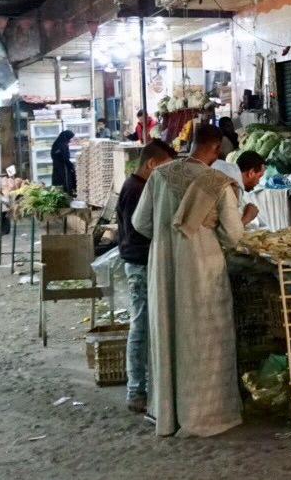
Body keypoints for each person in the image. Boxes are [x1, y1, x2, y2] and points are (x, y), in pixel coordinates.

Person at [132, 125, 257, 437]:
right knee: (203, 337)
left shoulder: (159, 175)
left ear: (191, 143)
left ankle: (168, 413)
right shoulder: (217, 181)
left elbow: (140, 222)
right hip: (203, 269)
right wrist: (246, 218)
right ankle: (204, 414)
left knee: (168, 333)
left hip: (163, 269)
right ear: (215, 150)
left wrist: (167, 239)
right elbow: (231, 235)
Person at [116, 140, 177, 414]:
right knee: (140, 326)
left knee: (147, 325)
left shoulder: (140, 186)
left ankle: (147, 387)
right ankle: (135, 390)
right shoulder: (136, 190)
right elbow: (138, 232)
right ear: (152, 164)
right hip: (139, 266)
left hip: (143, 263)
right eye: (164, 168)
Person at [50, 130, 76, 196]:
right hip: (63, 168)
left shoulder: (56, 143)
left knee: (58, 183)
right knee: (65, 183)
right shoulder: (63, 145)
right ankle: (67, 196)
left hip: (57, 166)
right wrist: (71, 166)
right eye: (70, 138)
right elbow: (65, 158)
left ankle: (58, 195)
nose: (70, 140)